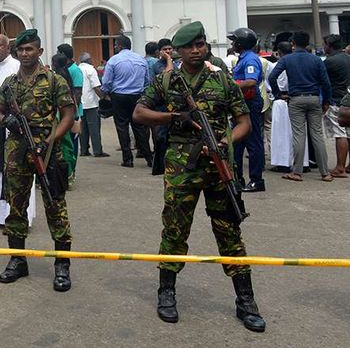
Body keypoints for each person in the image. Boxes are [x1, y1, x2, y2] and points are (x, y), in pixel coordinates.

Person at [133, 21, 266, 332]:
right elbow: (139, 113)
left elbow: (244, 121)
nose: (196, 50)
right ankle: (166, 292)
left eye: (201, 44)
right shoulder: (166, 81)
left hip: (220, 167)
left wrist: (225, 141)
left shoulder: (222, 80)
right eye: (189, 46)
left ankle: (245, 300)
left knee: (229, 231)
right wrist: (174, 116)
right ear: (178, 51)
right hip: (181, 169)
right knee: (175, 230)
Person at [0, 29, 75, 291]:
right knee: (16, 205)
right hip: (17, 149)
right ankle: (18, 260)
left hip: (48, 150)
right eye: (21, 50)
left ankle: (62, 266)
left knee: (55, 205)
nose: (25, 54)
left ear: (39, 51)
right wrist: (7, 121)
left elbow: (68, 115)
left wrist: (51, 141)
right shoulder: (9, 83)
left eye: (30, 49)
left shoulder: (53, 81)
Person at [268, 31, 333, 183]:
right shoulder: (316, 60)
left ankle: (296, 172)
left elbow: (272, 77)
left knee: (299, 135)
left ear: (293, 44)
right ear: (307, 44)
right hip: (314, 98)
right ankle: (325, 173)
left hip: (295, 99)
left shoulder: (288, 59)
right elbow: (326, 83)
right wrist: (326, 101)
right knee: (317, 136)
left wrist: (278, 94)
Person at [0, 33, 34, 226]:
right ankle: (0, 215)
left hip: (11, 120)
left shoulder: (16, 67)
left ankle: (18, 215)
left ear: (8, 47)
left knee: (14, 168)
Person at [101, 34, 152, 168]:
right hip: (137, 95)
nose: (114, 47)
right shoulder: (141, 60)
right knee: (140, 127)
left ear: (120, 46)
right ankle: (149, 158)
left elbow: (106, 82)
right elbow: (147, 81)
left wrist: (105, 94)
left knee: (122, 126)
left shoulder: (114, 60)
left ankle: (127, 159)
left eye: (116, 44)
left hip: (119, 96)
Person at [228, 28, 266, 192]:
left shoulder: (250, 59)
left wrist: (230, 85)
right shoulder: (243, 58)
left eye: (234, 41)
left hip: (250, 103)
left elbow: (250, 82)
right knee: (237, 142)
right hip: (242, 103)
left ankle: (256, 180)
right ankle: (238, 179)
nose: (232, 44)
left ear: (240, 43)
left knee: (252, 141)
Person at [322, 34, 350, 178]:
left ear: (330, 45)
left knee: (340, 134)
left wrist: (325, 101)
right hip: (348, 100)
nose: (324, 47)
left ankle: (340, 167)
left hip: (336, 101)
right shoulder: (348, 58)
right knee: (349, 133)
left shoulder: (329, 62)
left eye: (325, 44)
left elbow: (324, 83)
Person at [57, 43, 83, 185]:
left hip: (72, 114)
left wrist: (72, 115)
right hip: (65, 114)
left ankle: (71, 173)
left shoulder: (74, 71)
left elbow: (77, 94)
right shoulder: (65, 70)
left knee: (71, 144)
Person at [77, 52, 108, 157]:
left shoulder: (77, 68)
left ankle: (84, 150)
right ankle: (97, 150)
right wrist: (103, 97)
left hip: (80, 103)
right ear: (89, 60)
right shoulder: (91, 69)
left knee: (83, 128)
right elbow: (96, 86)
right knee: (94, 127)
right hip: (91, 103)